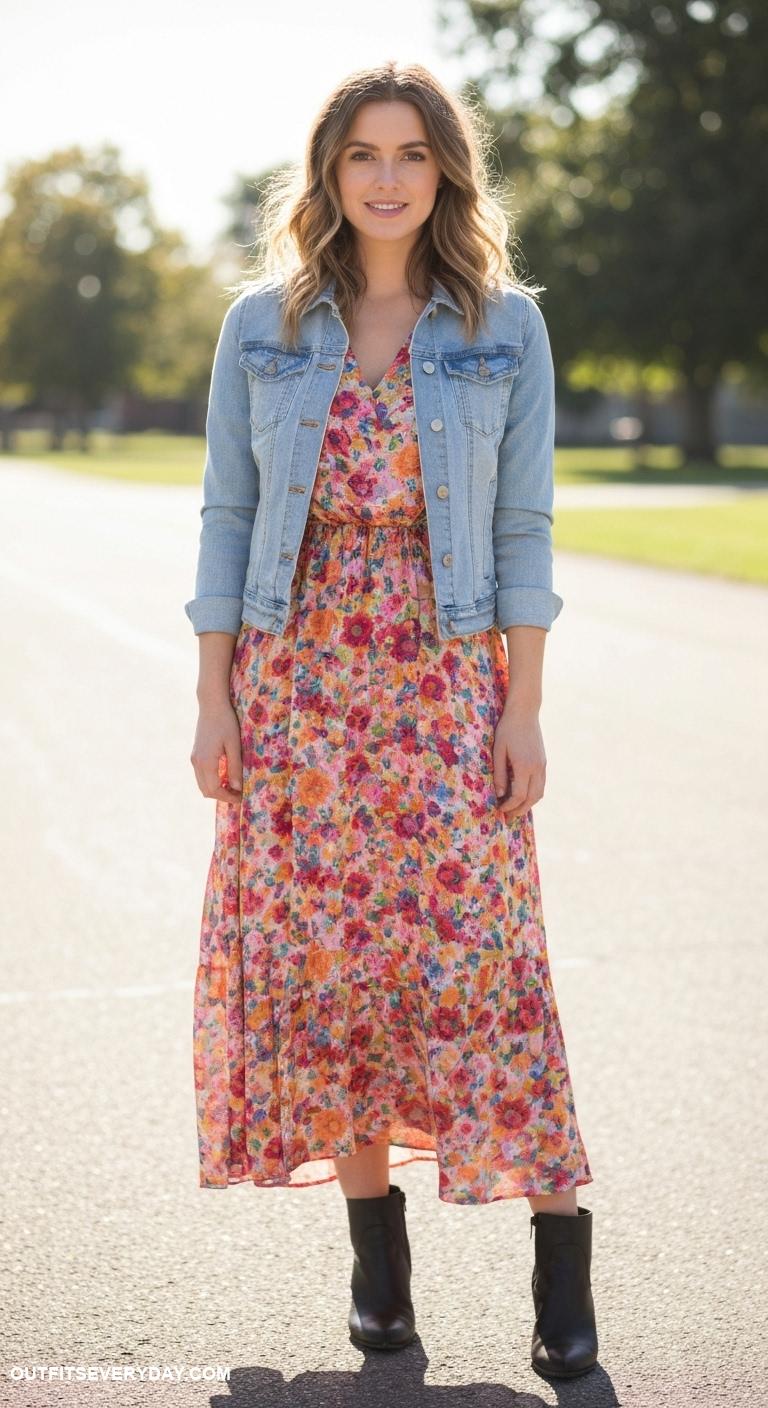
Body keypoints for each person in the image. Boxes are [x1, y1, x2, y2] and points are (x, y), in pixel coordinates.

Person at [185, 60, 599, 1381]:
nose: (385, 176)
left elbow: (528, 527)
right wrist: (215, 698)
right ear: (328, 173)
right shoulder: (262, 323)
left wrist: (522, 710)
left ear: (444, 174)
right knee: (332, 969)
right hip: (298, 685)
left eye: (410, 153)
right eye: (362, 153)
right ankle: (379, 1275)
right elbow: (230, 517)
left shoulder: (503, 327)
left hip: (447, 678)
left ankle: (561, 1277)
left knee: (485, 964)